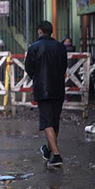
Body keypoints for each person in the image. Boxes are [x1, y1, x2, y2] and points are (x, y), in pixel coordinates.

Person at [25, 21, 68, 169]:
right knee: (55, 121)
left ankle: (56, 155)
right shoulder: (61, 47)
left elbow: (29, 68)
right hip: (58, 88)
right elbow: (64, 67)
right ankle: (49, 149)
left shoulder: (34, 48)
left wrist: (36, 80)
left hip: (42, 88)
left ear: (40, 31)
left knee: (47, 122)